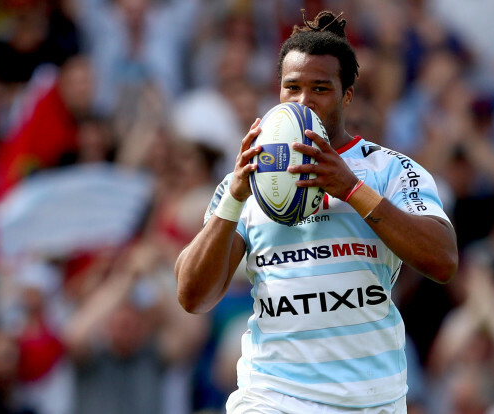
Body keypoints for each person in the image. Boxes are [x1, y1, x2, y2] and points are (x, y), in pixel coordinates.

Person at [175, 9, 458, 414]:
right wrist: (235, 195)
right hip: (271, 397)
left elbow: (443, 260)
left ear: (347, 95)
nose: (303, 100)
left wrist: (351, 190)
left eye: (320, 88)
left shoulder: (391, 171)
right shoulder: (249, 178)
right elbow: (192, 296)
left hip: (370, 400)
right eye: (292, 88)